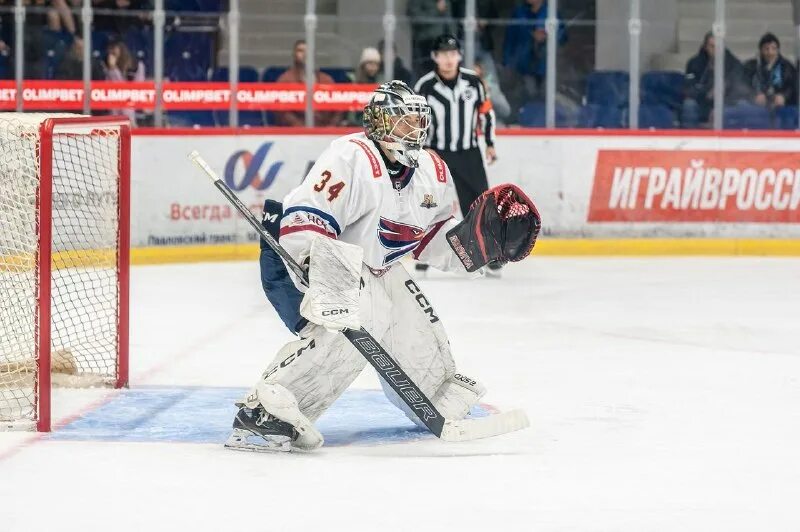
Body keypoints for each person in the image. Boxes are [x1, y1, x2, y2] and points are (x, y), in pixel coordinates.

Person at [224, 80, 540, 452]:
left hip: (371, 266)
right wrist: (320, 267)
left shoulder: (432, 171)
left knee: (412, 322)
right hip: (298, 254)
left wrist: (476, 248)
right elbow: (306, 219)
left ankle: (433, 392)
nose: (414, 130)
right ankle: (262, 413)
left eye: (418, 121)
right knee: (358, 317)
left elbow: (429, 236)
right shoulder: (350, 156)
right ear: (378, 123)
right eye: (403, 121)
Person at [414, 35, 499, 274]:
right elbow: (416, 122)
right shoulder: (425, 86)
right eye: (443, 54)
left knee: (481, 203)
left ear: (459, 56)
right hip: (436, 153)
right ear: (435, 57)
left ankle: (489, 253)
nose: (448, 59)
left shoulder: (473, 81)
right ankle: (423, 251)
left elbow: (487, 114)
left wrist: (490, 144)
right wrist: (420, 149)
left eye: (453, 54)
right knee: (429, 201)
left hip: (469, 152)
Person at [501, 0, 566, 114]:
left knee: (545, 94)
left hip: (545, 63)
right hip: (524, 62)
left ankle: (542, 122)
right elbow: (510, 38)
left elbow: (563, 36)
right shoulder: (519, 12)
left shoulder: (550, 12)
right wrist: (507, 62)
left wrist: (547, 36)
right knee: (528, 93)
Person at [681, 31, 748, 128]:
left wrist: (724, 89)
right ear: (705, 47)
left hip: (726, 104)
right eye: (712, 46)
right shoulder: (694, 63)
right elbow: (688, 88)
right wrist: (707, 92)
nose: (716, 50)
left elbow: (741, 87)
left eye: (718, 46)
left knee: (742, 106)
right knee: (688, 105)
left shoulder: (734, 63)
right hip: (702, 102)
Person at [274, 39, 342, 127]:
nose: (305, 54)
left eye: (308, 51)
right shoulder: (285, 80)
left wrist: (331, 127)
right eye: (300, 51)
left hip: (325, 131)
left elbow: (338, 107)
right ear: (294, 55)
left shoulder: (326, 80)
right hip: (294, 132)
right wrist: (301, 128)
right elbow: (282, 111)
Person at [743, 32, 796, 111]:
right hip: (756, 110)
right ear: (761, 50)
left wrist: (784, 97)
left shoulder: (787, 67)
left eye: (773, 48)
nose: (770, 52)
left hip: (782, 110)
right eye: (766, 49)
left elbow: (793, 86)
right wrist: (753, 95)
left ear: (778, 50)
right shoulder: (751, 66)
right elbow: (742, 84)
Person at [407, 0, 455, 77]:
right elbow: (417, 19)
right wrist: (436, 10)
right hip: (425, 43)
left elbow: (449, 20)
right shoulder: (417, 2)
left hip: (444, 44)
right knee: (426, 73)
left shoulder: (444, 1)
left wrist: (452, 38)